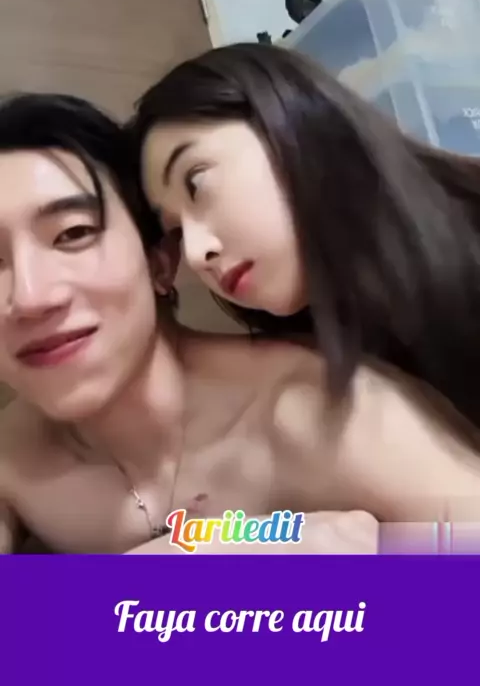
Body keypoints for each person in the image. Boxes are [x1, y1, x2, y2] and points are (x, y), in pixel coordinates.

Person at [2, 96, 480, 558]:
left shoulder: (333, 412)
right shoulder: (13, 456)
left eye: (74, 233)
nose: (29, 297)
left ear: (160, 264)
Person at [130, 41, 480, 435]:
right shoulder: (327, 368)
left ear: (288, 119)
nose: (196, 254)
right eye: (176, 231)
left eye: (196, 184)